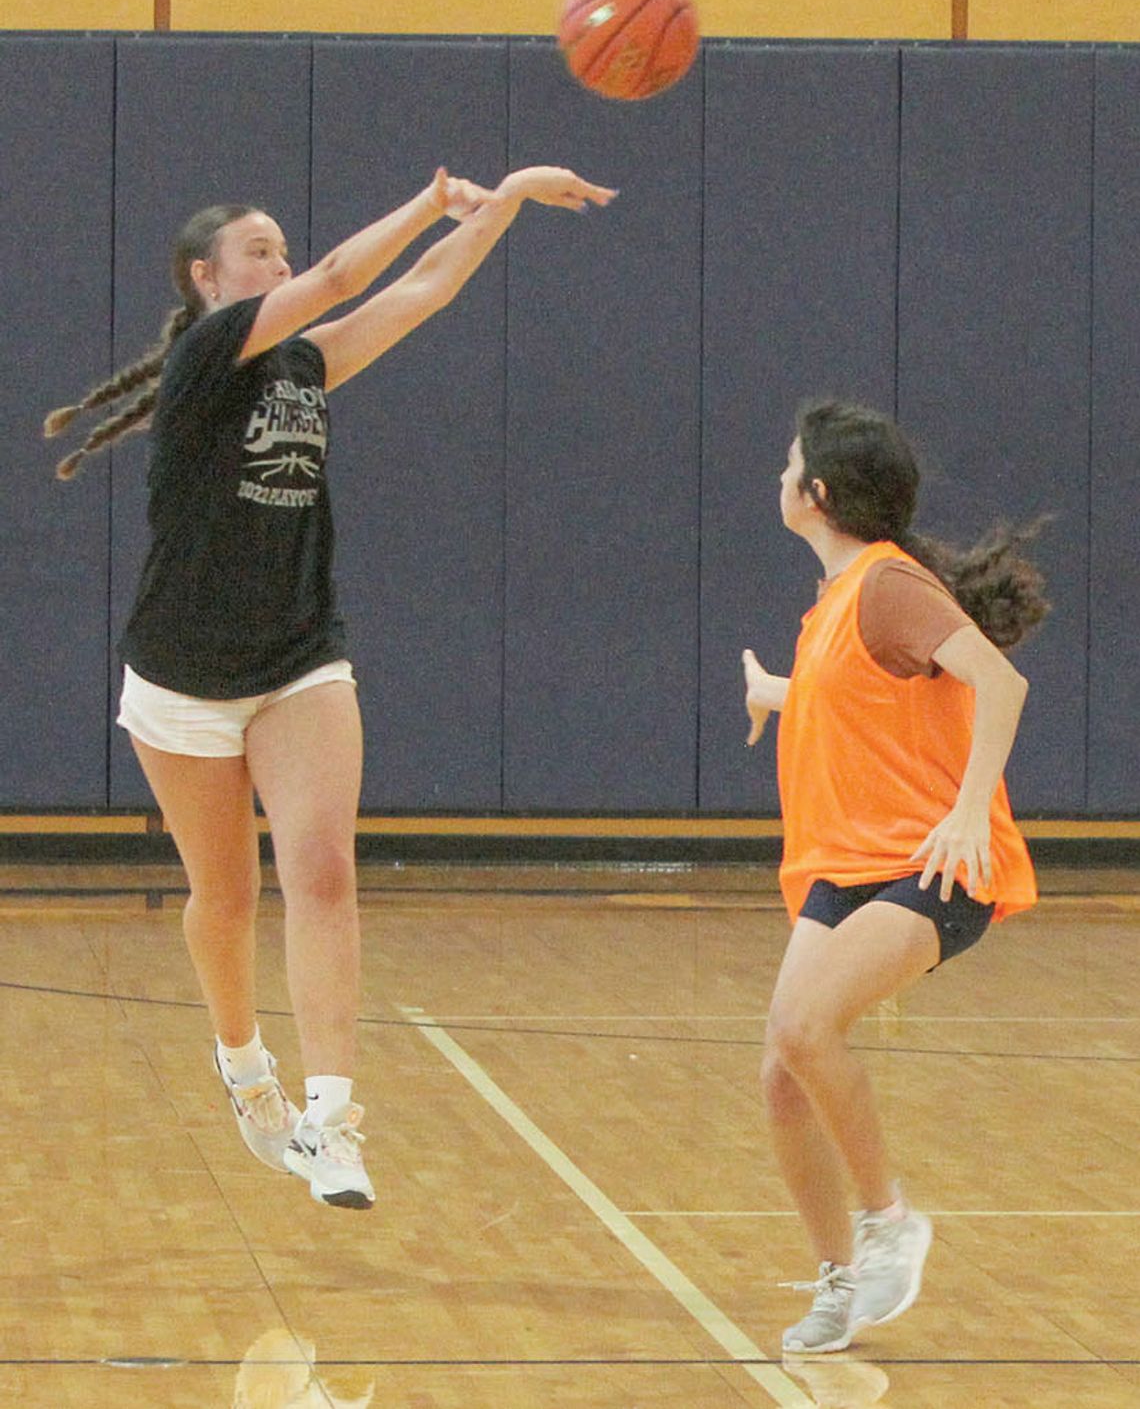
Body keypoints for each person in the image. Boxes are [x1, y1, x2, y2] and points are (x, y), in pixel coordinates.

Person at [45, 164, 616, 1210]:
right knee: (224, 897)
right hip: (183, 670)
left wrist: (509, 201)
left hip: (300, 654)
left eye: (282, 247)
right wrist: (428, 196)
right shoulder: (210, 354)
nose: (282, 262)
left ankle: (332, 1116)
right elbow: (356, 268)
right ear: (206, 278)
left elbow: (418, 292)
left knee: (321, 873)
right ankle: (243, 1068)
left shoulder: (300, 363)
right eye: (259, 252)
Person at [740, 399, 1048, 1353]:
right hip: (846, 868)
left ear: (818, 493)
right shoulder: (840, 600)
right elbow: (864, 704)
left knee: (803, 1026)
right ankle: (841, 1281)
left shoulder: (887, 586)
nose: (778, 476)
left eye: (790, 464)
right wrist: (779, 696)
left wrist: (966, 814)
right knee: (783, 1076)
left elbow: (1001, 683)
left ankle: (890, 1223)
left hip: (932, 866)